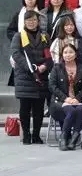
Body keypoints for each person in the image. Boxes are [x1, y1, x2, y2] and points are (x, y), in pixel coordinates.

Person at [10, 10, 52, 145]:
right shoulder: (19, 36)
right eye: (29, 20)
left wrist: (45, 66)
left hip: (41, 76)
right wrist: (30, 67)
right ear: (24, 22)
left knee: (39, 109)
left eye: (34, 20)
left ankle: (36, 135)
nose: (32, 22)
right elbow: (16, 54)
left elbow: (50, 55)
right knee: (25, 108)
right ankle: (27, 135)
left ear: (38, 21)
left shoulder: (45, 36)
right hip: (25, 76)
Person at [47, 44, 82, 150]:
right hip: (59, 101)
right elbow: (52, 86)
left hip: (77, 100)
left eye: (71, 52)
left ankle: (74, 139)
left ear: (75, 54)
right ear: (62, 54)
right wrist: (66, 99)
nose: (68, 55)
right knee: (71, 110)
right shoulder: (57, 68)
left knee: (80, 109)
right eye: (65, 52)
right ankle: (64, 138)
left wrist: (77, 98)